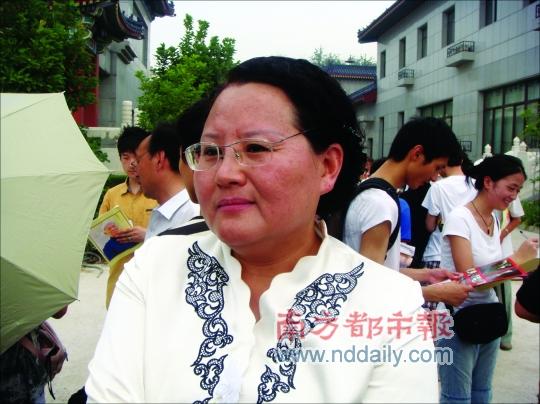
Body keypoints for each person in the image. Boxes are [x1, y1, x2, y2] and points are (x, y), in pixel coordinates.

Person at [86, 56, 440, 402]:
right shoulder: (153, 268)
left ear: (328, 166)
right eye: (210, 151)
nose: (225, 173)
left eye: (255, 148)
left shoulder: (391, 304)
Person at [438, 154, 539, 403]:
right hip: (458, 318)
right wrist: (516, 261)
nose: (514, 196)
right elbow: (469, 278)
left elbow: (491, 271)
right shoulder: (459, 218)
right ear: (488, 182)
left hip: (488, 314)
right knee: (457, 397)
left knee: (482, 392)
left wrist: (525, 265)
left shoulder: (493, 218)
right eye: (511, 188)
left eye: (518, 190)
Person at [343, 117, 472, 307]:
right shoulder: (380, 204)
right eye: (437, 168)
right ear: (417, 154)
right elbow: (370, 285)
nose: (434, 177)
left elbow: (380, 271)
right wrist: (433, 293)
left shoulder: (372, 193)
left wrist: (427, 274)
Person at [98, 126, 158, 308]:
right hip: (119, 279)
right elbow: (100, 235)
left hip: (151, 281)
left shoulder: (159, 192)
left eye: (136, 157)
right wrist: (109, 232)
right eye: (126, 157)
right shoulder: (112, 195)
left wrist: (147, 235)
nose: (132, 163)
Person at [135, 122, 199, 239]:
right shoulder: (162, 212)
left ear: (159, 159)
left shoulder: (193, 214)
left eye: (138, 160)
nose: (136, 171)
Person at [421, 150, 477, 269]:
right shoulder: (476, 185)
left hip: (437, 253)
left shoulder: (437, 187)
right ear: (461, 161)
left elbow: (430, 226)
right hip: (469, 255)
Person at [494, 196, 525, 350]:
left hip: (502, 254)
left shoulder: (508, 191)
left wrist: (500, 235)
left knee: (503, 296)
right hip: (479, 254)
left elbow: (517, 218)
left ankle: (505, 336)